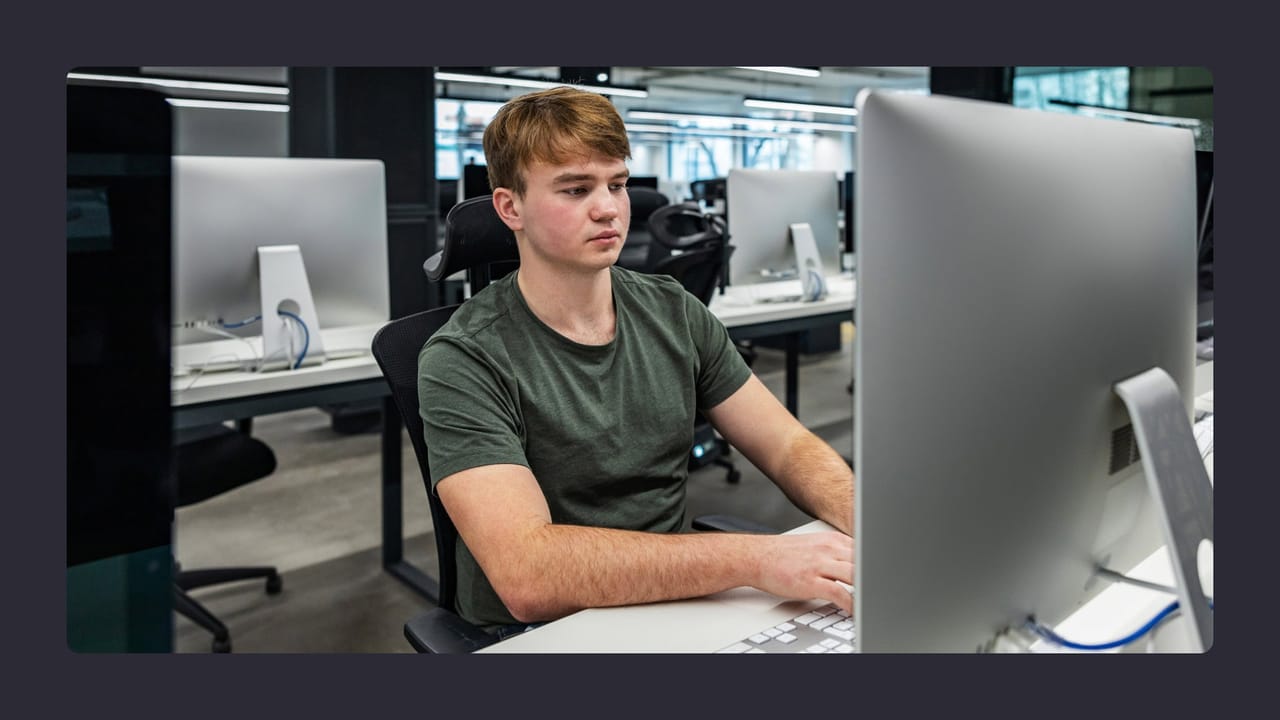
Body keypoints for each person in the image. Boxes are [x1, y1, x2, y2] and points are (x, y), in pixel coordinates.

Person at [419, 86, 854, 637]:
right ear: (511, 207)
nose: (608, 208)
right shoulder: (464, 357)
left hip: (673, 602)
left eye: (618, 185)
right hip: (543, 633)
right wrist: (758, 560)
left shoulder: (672, 309)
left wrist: (861, 515)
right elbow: (528, 573)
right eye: (576, 189)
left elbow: (788, 446)